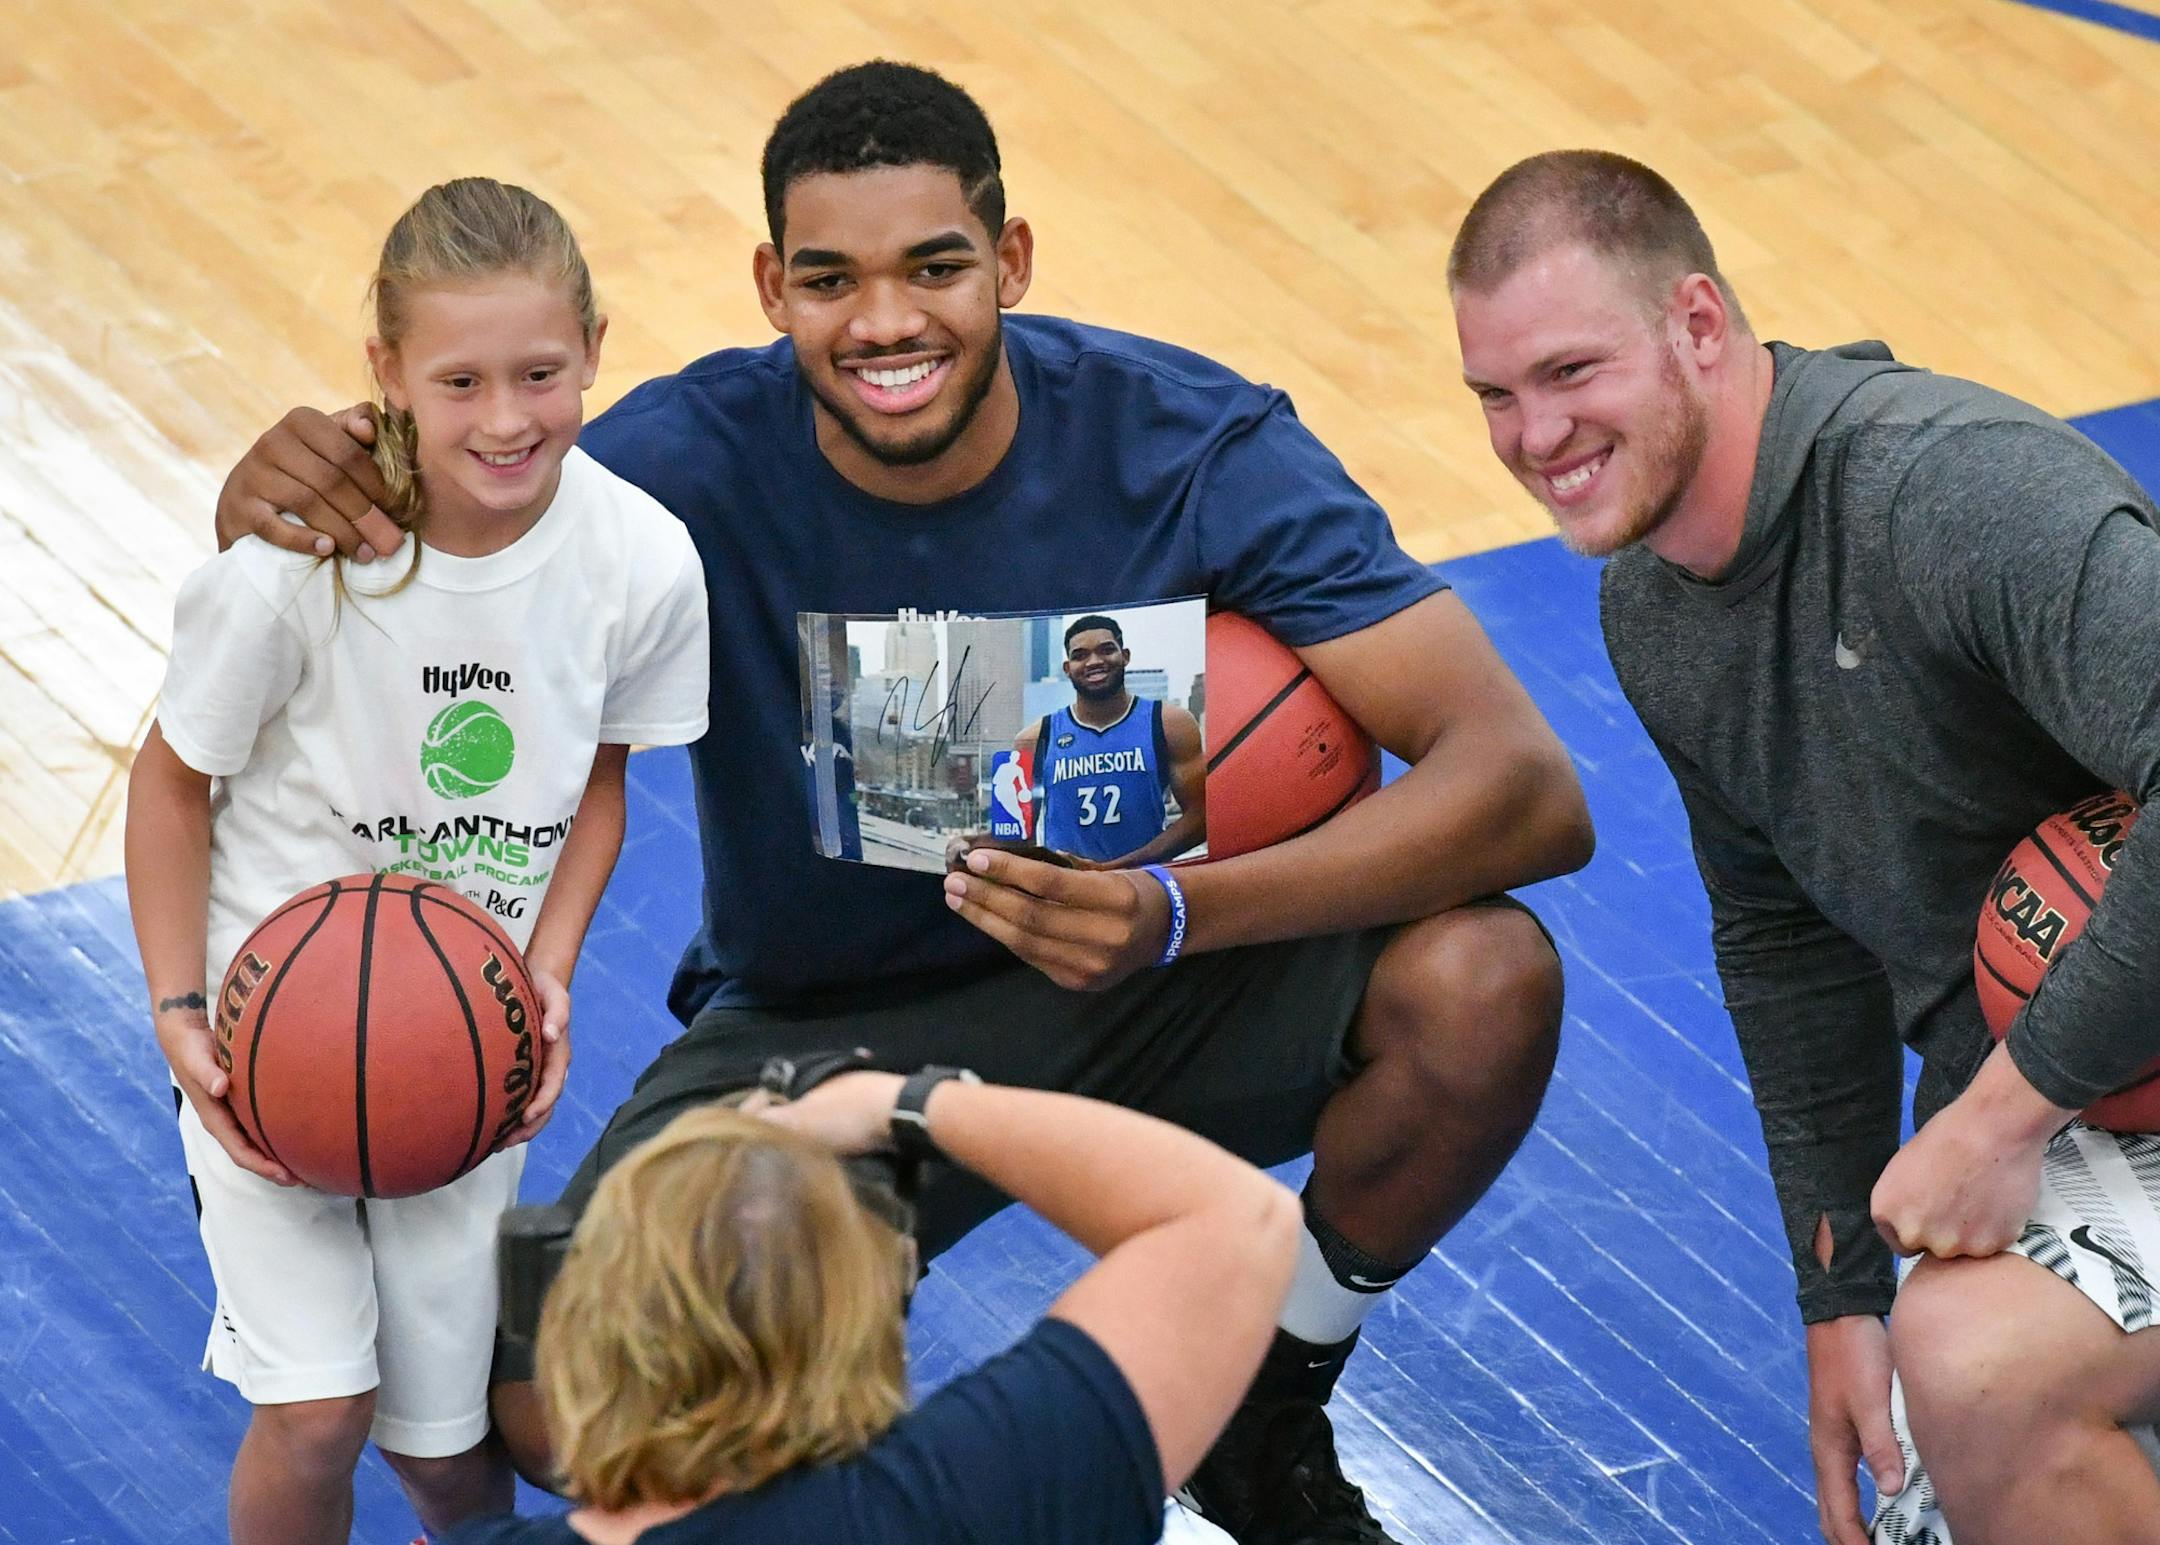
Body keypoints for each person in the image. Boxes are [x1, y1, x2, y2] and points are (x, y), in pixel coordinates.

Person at [213, 63, 1593, 1545]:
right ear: (770, 286)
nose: (885, 322)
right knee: (560, 1394)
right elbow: (405, 550)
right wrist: (280, 501)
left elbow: (1524, 789)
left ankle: (1265, 1404)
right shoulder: (673, 471)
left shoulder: (1190, 445)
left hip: (1160, 980)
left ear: (1009, 260)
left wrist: (1176, 913)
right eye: (830, 278)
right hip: (817, 1029)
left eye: (935, 266)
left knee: (1480, 982)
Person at [1448, 149, 2160, 1545]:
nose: (1535, 437)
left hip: (2068, 1098)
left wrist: (2003, 1116)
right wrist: (1837, 1296)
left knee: (1974, 1368)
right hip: (2092, 1107)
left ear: (1699, 326)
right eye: (1495, 395)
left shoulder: (1956, 499)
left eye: (1571, 373)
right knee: (1935, 1447)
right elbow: (1784, 941)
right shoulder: (1651, 604)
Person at [127, 177, 710, 1544]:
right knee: (320, 1413)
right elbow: (169, 783)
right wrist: (177, 1010)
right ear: (385, 370)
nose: (506, 417)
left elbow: (599, 785)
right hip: (271, 1038)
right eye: (460, 380)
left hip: (462, 1046)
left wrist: (547, 977)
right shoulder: (293, 571)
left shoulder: (640, 560)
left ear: (596, 351)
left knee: (449, 1453)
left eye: (541, 373)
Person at [442, 1068, 1301, 1545]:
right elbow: (1238, 1216)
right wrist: (905, 1102)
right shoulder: (973, 1490)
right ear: (871, 1316)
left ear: (579, 1323)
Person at [1018, 613, 1205, 867]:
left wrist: (1109, 870)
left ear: (1125, 656)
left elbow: (1201, 818)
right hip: (1065, 891)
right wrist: (969, 845)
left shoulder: (1171, 724)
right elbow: (1012, 834)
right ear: (1067, 669)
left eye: (1106, 650)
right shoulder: (1032, 738)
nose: (1094, 662)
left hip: (1146, 886)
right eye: (1080, 655)